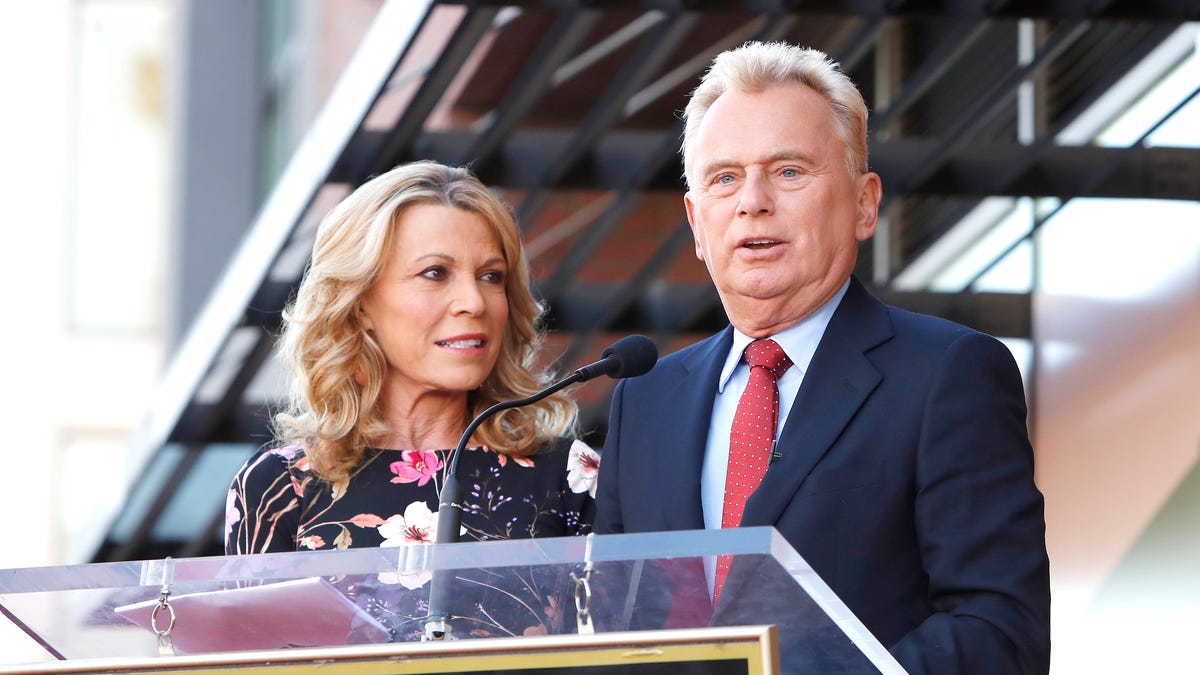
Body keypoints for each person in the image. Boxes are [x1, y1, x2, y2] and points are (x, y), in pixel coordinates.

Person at [594, 41, 1050, 674]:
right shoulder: (645, 398)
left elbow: (1001, 635)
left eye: (788, 171)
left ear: (864, 203)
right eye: (725, 178)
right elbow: (621, 633)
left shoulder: (950, 374)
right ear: (697, 223)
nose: (752, 200)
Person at [225, 160, 601, 641]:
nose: (474, 301)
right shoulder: (280, 484)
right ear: (360, 302)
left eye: (491, 276)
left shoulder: (569, 475)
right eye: (435, 273)